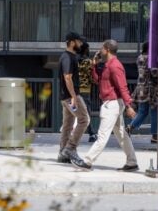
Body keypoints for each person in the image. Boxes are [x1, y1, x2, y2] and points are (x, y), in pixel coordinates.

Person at [70, 39, 138, 171]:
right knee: (121, 134)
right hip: (112, 103)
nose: (100, 50)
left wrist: (129, 105)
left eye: (102, 48)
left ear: (107, 49)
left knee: (102, 136)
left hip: (111, 104)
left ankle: (87, 162)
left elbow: (122, 87)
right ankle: (132, 162)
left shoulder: (115, 66)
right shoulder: (107, 64)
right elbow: (98, 81)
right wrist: (95, 65)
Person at [57, 32, 90, 164]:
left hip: (65, 97)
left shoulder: (68, 56)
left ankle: (62, 153)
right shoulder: (68, 57)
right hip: (71, 97)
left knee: (67, 124)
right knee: (84, 120)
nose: (81, 44)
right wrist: (73, 96)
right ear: (71, 42)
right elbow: (67, 77)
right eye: (79, 42)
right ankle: (70, 148)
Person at [126, 43, 158, 143]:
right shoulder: (150, 58)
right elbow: (154, 73)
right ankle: (155, 136)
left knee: (142, 111)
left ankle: (130, 127)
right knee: (154, 111)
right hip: (150, 89)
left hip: (140, 88)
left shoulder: (139, 58)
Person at [77, 41, 98, 143]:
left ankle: (89, 132)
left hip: (75, 90)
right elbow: (93, 76)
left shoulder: (75, 60)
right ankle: (91, 133)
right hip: (85, 90)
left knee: (76, 112)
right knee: (86, 112)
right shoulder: (88, 62)